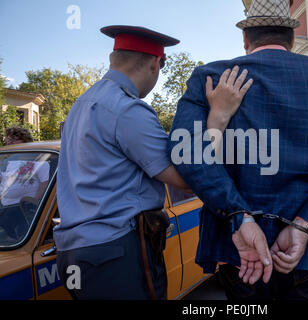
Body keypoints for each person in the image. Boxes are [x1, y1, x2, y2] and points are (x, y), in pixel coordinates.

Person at [168, 0, 308, 300]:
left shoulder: (210, 78)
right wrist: (305, 224)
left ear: (246, 38)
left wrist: (239, 217)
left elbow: (187, 154)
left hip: (240, 257)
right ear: (291, 38)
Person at [54, 25, 252, 300]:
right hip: (115, 252)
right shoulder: (126, 110)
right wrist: (218, 117)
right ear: (156, 64)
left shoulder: (83, 103)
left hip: (77, 253)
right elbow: (188, 178)